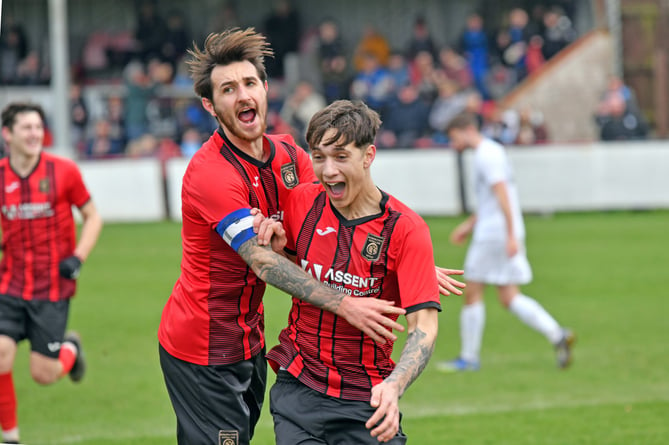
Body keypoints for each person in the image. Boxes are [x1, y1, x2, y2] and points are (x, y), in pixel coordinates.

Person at [156, 28, 420, 445]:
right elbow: (261, 260)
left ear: (264, 88)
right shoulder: (211, 173)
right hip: (202, 349)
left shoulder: (289, 154)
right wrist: (345, 304)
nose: (243, 95)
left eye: (249, 83)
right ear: (210, 104)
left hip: (250, 340)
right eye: (228, 89)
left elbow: (338, 222)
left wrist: (410, 260)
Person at [262, 100, 442, 444]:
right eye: (318, 157)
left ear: (368, 155)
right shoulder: (299, 203)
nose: (328, 170)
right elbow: (287, 263)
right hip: (298, 385)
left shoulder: (406, 229)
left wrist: (395, 385)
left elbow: (424, 326)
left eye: (341, 157)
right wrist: (276, 243)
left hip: (366, 398)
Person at [437, 112, 574, 372]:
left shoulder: (486, 155)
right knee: (508, 296)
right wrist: (469, 226)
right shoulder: (491, 152)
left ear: (467, 130)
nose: (453, 144)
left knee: (473, 291)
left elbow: (502, 194)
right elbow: (494, 199)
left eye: (454, 138)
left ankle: (469, 358)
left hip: (494, 234)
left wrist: (511, 234)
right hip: (498, 230)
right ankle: (557, 334)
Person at [0, 102, 103, 444]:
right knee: (0, 353)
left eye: (37, 127)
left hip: (51, 289)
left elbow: (92, 217)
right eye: (26, 128)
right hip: (9, 284)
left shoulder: (63, 171)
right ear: (7, 134)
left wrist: (78, 257)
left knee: (44, 374)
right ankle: (11, 438)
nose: (34, 134)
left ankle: (70, 350)